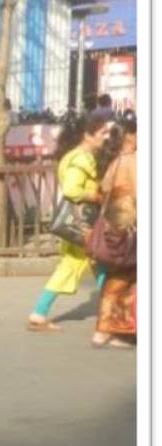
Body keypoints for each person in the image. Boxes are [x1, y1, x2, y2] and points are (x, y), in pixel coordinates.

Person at [27, 113, 112, 332]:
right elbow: (72, 190)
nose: (106, 137)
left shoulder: (75, 156)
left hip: (80, 225)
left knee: (100, 266)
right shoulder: (81, 158)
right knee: (97, 266)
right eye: (103, 133)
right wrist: (98, 195)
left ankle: (111, 313)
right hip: (83, 225)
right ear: (88, 135)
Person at [92, 113, 136, 349]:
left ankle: (108, 330)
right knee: (126, 279)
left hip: (114, 226)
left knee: (117, 278)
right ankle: (118, 331)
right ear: (130, 136)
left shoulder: (114, 160)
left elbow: (103, 190)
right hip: (131, 226)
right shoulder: (133, 160)